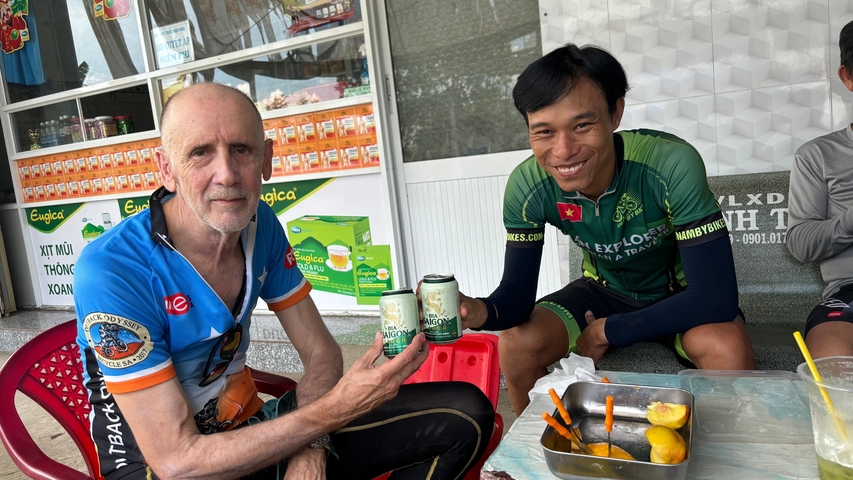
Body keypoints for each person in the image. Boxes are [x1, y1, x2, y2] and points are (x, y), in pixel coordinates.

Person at [74, 83, 494, 480]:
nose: (227, 174)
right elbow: (176, 461)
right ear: (167, 169)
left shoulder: (260, 224)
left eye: (241, 150)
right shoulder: (113, 269)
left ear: (267, 160)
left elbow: (320, 349)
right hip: (169, 467)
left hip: (256, 429)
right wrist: (330, 414)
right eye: (200, 153)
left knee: (465, 415)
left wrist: (312, 443)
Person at [456, 44, 756, 415]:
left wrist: (606, 331)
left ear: (615, 112)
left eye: (582, 125)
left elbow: (715, 296)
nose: (563, 151)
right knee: (517, 343)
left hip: (679, 294)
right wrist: (477, 311)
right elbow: (516, 297)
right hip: (603, 291)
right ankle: (532, 454)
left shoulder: (670, 164)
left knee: (727, 347)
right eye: (544, 132)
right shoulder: (528, 185)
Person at [786, 21, 853, 360]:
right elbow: (800, 242)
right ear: (848, 77)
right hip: (848, 294)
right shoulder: (817, 156)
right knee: (835, 371)